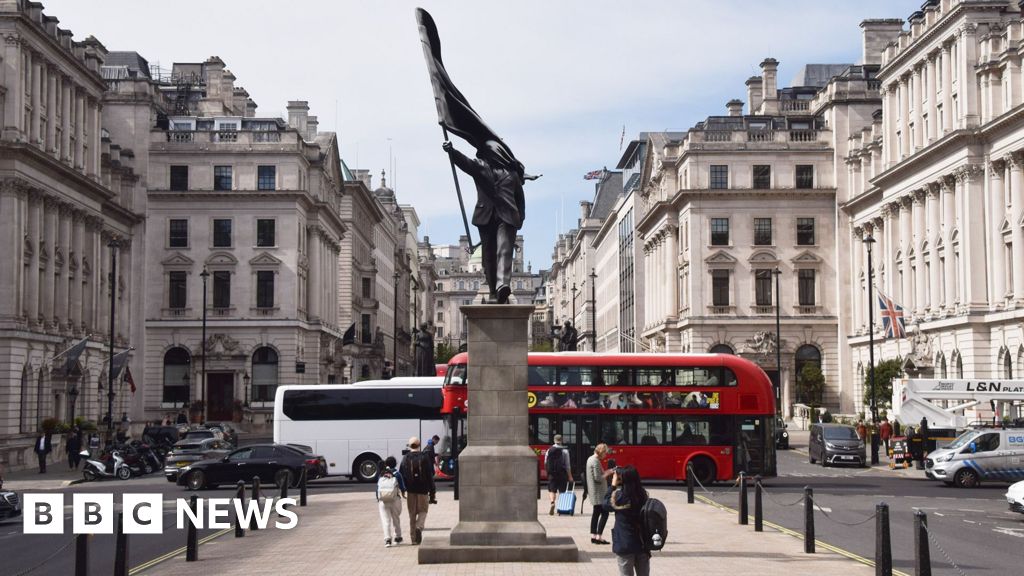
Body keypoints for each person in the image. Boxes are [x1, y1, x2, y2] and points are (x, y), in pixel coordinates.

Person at [443, 140, 537, 304]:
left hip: (507, 216)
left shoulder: (512, 174)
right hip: (486, 216)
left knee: (505, 250)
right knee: (489, 256)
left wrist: (520, 218)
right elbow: (464, 163)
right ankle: (494, 291)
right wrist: (452, 151)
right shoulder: (480, 168)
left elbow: (520, 199)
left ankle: (503, 285)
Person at [605, 465, 651, 576]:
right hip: (642, 544)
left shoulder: (620, 496)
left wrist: (613, 485)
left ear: (623, 480)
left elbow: (606, 504)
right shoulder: (643, 495)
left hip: (625, 544)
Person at [399, 436, 435, 545]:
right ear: (419, 445)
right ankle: (419, 527)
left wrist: (403, 489)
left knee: (412, 514)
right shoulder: (424, 457)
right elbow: (430, 475)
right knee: (423, 511)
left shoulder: (405, 458)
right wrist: (433, 491)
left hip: (411, 491)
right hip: (423, 490)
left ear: (409, 446)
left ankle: (414, 539)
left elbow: (401, 474)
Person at [585, 443, 613, 545]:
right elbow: (598, 478)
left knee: (596, 513)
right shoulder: (595, 461)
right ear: (601, 452)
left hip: (594, 492)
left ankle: (593, 536)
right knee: (605, 513)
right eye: (605, 453)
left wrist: (606, 471)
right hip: (599, 493)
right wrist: (608, 473)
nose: (606, 455)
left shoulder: (590, 459)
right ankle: (599, 536)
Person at [376, 456, 406, 547]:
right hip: (395, 499)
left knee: (386, 520)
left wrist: (378, 498)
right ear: (395, 464)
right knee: (396, 518)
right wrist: (403, 494)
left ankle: (387, 540)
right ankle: (398, 537)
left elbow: (377, 488)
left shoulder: (381, 473)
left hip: (383, 500)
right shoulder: (397, 474)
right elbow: (402, 487)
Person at [544, 434, 572, 515]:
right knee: (562, 491)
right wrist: (570, 476)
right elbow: (567, 465)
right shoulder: (565, 451)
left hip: (552, 474)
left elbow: (546, 462)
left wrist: (548, 472)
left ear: (554, 440)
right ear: (561, 440)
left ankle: (552, 502)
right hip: (562, 473)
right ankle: (561, 508)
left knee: (552, 490)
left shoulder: (549, 450)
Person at [423, 435, 440, 504]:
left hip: (427, 467)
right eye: (437, 441)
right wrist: (435, 462)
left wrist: (436, 455)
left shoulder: (428, 445)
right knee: (431, 485)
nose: (437, 443)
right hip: (429, 468)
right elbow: (431, 456)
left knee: (429, 484)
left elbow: (431, 455)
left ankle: (430, 498)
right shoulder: (430, 446)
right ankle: (431, 499)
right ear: (434, 439)